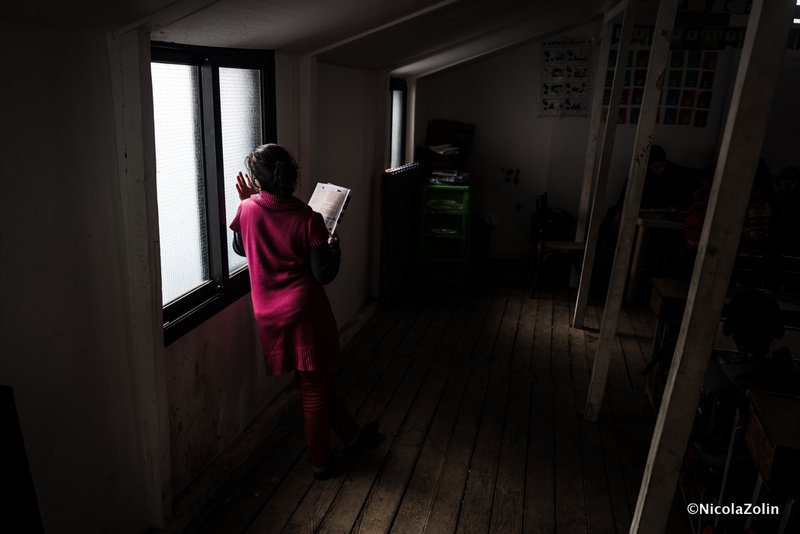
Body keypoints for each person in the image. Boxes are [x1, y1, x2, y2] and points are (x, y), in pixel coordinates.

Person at [230, 143, 382, 479]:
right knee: (313, 385)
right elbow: (322, 274)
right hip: (302, 311)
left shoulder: (248, 210)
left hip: (268, 311)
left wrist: (244, 203)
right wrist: (334, 247)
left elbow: (242, 247)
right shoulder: (308, 218)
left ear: (258, 181)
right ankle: (320, 462)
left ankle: (352, 437)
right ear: (292, 178)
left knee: (318, 378)